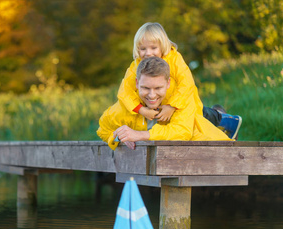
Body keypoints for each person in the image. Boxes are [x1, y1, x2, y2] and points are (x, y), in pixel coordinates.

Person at [118, 22, 241, 139]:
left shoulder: (174, 59)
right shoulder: (136, 65)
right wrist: (141, 109)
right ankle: (218, 114)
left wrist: (172, 106)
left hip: (182, 101)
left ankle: (228, 120)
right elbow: (125, 92)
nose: (148, 53)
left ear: (162, 46)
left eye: (153, 48)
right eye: (143, 49)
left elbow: (186, 83)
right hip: (160, 101)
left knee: (200, 118)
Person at [97, 56, 231, 150]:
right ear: (137, 83)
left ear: (168, 84)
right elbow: (103, 129)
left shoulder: (181, 99)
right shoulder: (125, 106)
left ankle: (225, 120)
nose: (152, 95)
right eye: (145, 88)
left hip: (213, 149)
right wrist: (119, 137)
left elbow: (183, 132)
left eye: (158, 88)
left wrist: (140, 135)